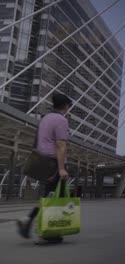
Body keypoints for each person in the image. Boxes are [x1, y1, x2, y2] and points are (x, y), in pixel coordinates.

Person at [17, 93, 71, 244]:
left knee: (49, 197)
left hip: (42, 161)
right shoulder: (61, 120)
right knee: (53, 198)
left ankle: (30, 221)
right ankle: (45, 232)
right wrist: (61, 169)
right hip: (53, 163)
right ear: (66, 106)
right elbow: (60, 145)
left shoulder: (45, 118)